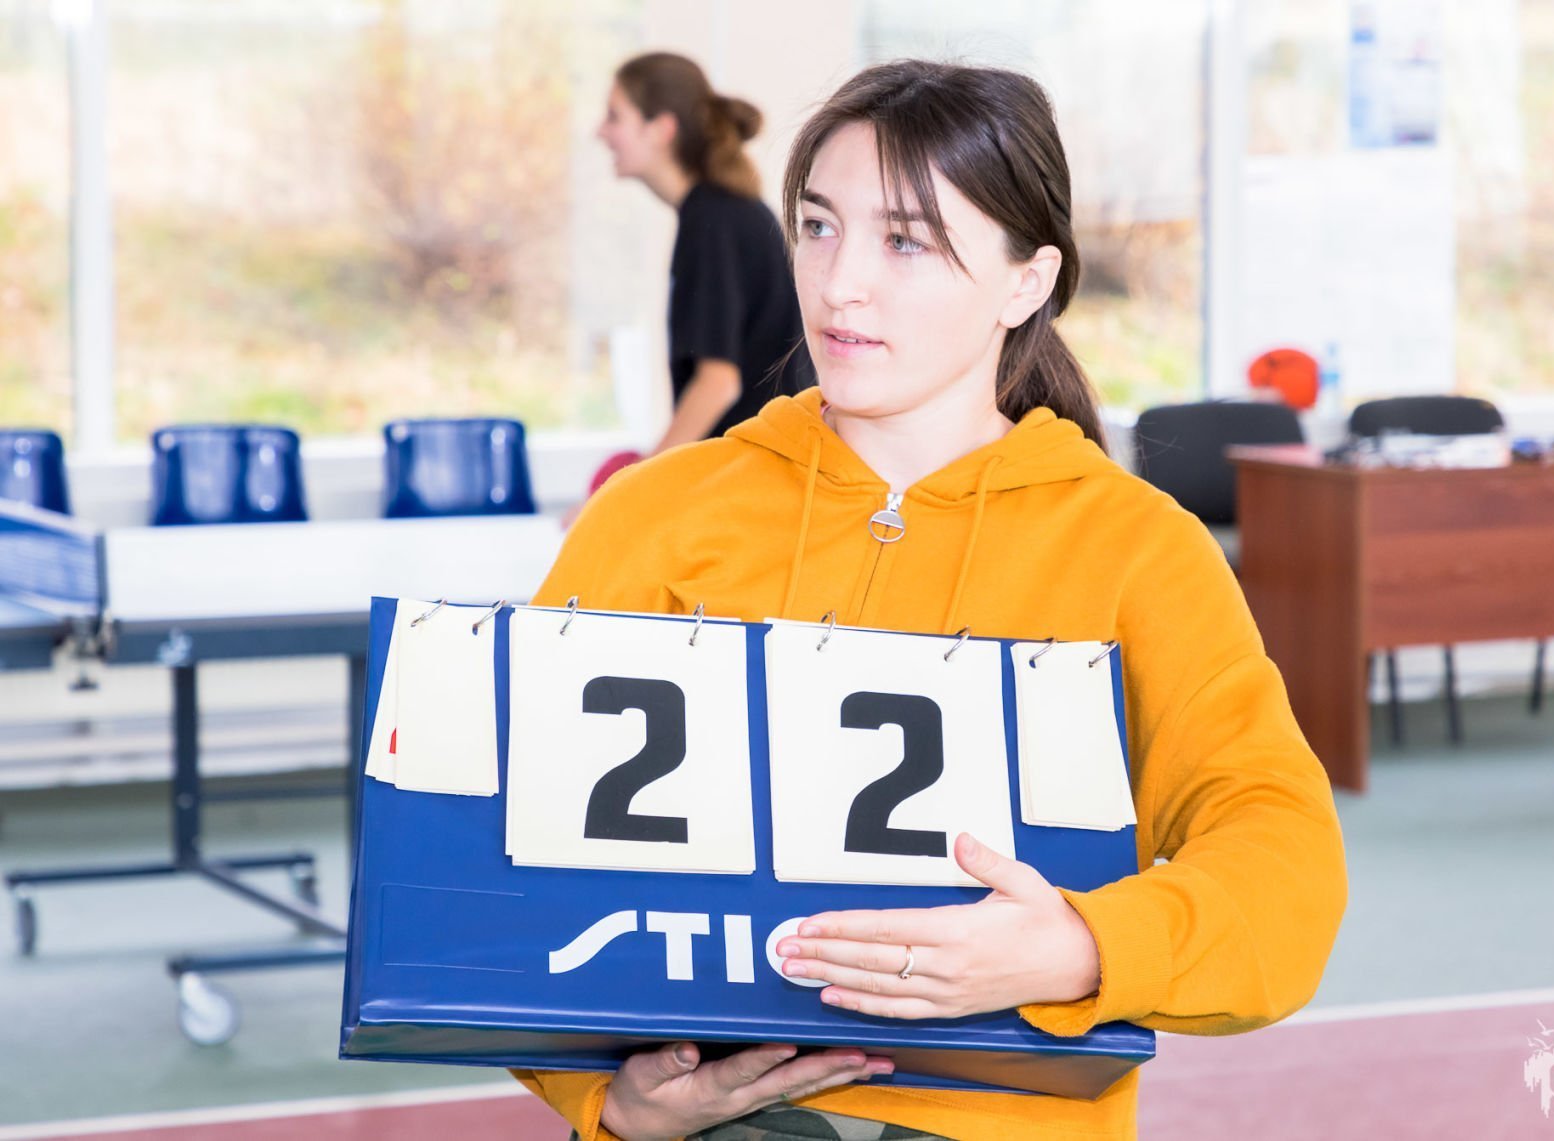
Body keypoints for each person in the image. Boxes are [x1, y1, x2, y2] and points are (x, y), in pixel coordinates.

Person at [515, 59, 1347, 1140]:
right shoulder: (653, 517)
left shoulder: (1138, 551)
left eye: (905, 241)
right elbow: (506, 855)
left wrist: (1082, 947)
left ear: (1025, 282)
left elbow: (1282, 864)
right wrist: (609, 1103)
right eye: (819, 226)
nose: (838, 284)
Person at [596, 52, 810, 455]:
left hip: (755, 471)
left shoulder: (712, 219)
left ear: (661, 129)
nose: (600, 132)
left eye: (614, 117)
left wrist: (645, 478)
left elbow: (717, 383)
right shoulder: (720, 212)